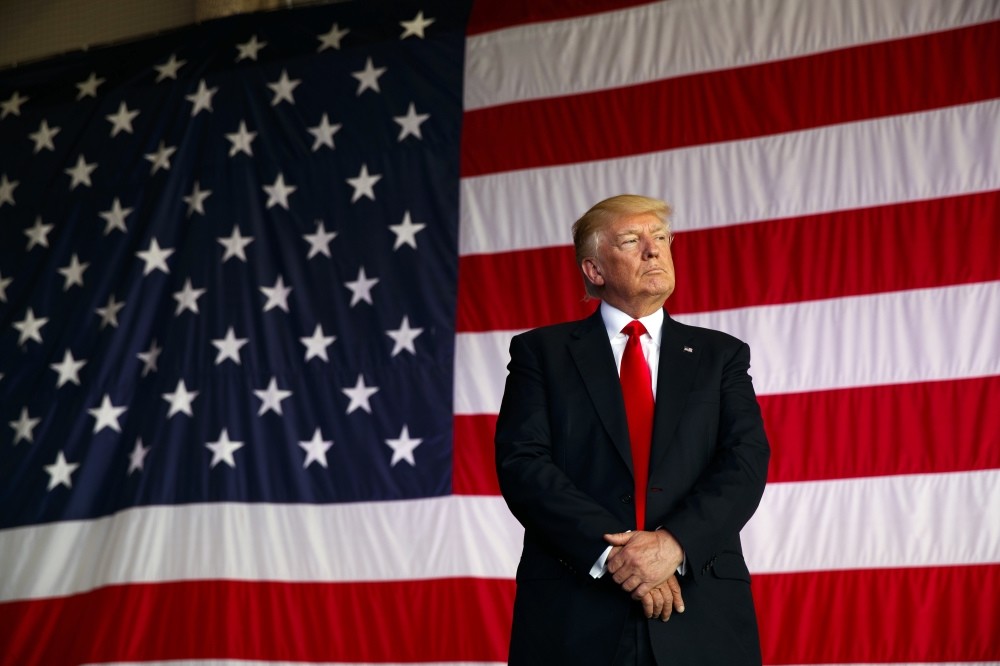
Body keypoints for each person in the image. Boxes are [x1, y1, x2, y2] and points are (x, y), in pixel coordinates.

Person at [494, 194, 770, 665]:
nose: (653, 249)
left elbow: (744, 462)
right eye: (631, 240)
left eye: (661, 238)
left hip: (700, 608)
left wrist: (672, 545)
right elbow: (524, 465)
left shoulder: (721, 355)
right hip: (575, 612)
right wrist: (619, 559)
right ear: (594, 270)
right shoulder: (541, 353)